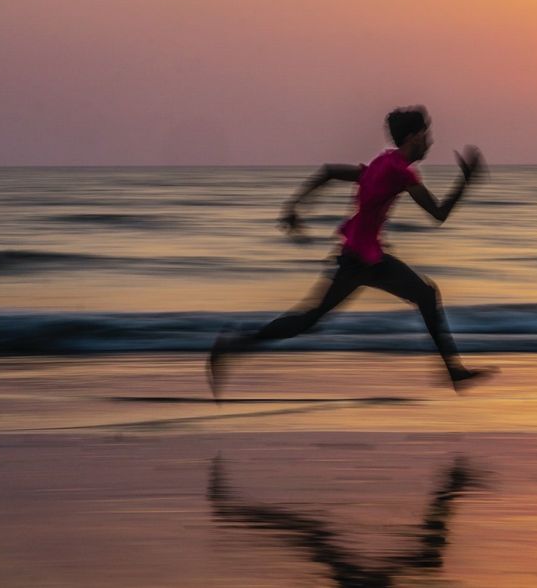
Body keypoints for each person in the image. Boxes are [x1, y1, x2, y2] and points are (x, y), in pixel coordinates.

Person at [208, 105, 497, 397]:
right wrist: (465, 181)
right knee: (419, 296)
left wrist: (295, 206)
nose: (430, 141)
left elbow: (329, 172)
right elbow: (438, 214)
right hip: (362, 260)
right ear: (412, 137)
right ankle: (232, 346)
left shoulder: (383, 163)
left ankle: (234, 346)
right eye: (426, 134)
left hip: (361, 256)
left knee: (313, 317)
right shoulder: (401, 172)